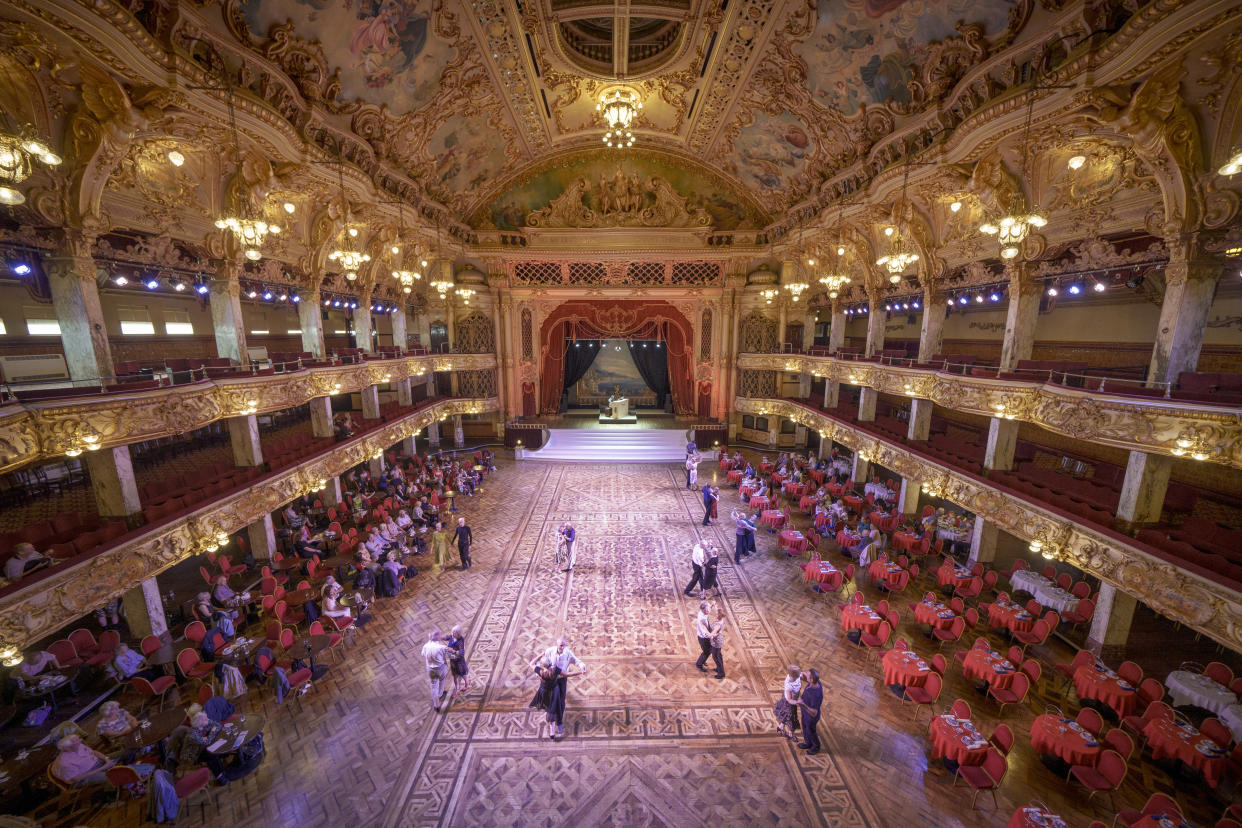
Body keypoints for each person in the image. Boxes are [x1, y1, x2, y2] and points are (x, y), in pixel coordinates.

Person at [539, 638, 586, 738]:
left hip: (561, 680)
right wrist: (541, 674)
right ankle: (552, 728)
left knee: (561, 703)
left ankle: (559, 722)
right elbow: (541, 663)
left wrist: (582, 666)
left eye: (564, 645)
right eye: (561, 645)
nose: (563, 647)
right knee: (552, 704)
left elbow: (576, 661)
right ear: (557, 645)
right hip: (550, 682)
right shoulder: (549, 651)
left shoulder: (567, 653)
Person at [529, 655, 563, 740]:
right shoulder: (554, 670)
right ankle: (553, 731)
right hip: (553, 692)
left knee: (549, 709)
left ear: (542, 665)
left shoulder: (540, 671)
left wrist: (540, 654)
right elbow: (565, 674)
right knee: (553, 709)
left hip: (544, 692)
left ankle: (552, 732)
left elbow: (531, 663)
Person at [422, 628, 452, 712]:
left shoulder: (426, 646)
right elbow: (450, 656)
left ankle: (436, 705)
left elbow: (423, 654)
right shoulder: (441, 647)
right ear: (439, 638)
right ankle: (440, 694)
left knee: (433, 686)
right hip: (440, 668)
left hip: (430, 669)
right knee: (442, 679)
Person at [796, 669, 823, 755]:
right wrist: (802, 676)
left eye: (807, 676)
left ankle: (816, 746)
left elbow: (814, 712)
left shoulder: (815, 694)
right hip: (805, 713)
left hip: (811, 717)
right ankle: (808, 743)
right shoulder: (816, 682)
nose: (805, 675)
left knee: (811, 731)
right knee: (805, 728)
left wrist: (803, 704)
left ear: (811, 680)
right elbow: (807, 678)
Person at [773, 665, 801, 738]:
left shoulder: (796, 676)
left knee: (786, 714)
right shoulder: (789, 685)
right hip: (789, 702)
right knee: (791, 718)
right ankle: (791, 733)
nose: (800, 673)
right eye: (799, 673)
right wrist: (798, 702)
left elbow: (803, 675)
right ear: (794, 675)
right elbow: (789, 700)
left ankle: (781, 727)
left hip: (793, 699)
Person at [446, 625, 470, 697]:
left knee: (463, 675)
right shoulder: (452, 637)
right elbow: (447, 637)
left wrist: (453, 651)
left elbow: (461, 654)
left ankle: (467, 684)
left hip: (459, 663)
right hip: (453, 662)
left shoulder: (460, 641)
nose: (452, 633)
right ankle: (457, 688)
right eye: (452, 632)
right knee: (455, 676)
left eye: (454, 632)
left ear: (458, 634)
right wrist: (440, 638)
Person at [693, 601, 713, 673]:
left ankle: (703, 660)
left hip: (702, 636)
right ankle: (699, 664)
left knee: (706, 651)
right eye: (708, 610)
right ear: (705, 611)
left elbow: (708, 608)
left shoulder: (701, 612)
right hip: (703, 638)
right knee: (707, 652)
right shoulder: (702, 619)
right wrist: (711, 636)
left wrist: (712, 605)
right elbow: (704, 631)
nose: (710, 611)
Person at [708, 606, 726, 679]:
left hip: (716, 642)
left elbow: (711, 634)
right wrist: (713, 605)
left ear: (719, 615)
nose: (715, 614)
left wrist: (707, 633)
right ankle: (720, 669)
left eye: (716, 614)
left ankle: (721, 673)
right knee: (719, 655)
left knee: (715, 657)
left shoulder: (717, 625)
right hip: (719, 640)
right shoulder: (721, 620)